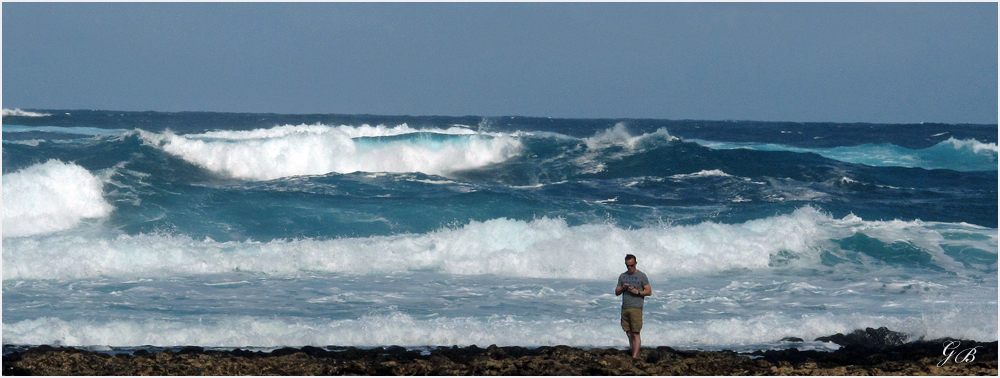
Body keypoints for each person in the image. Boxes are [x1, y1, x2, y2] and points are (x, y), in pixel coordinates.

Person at [615, 254, 651, 359]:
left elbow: (649, 292)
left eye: (632, 265)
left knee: (636, 333)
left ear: (635, 263)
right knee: (628, 332)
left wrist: (637, 292)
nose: (630, 268)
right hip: (625, 307)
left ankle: (635, 356)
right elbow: (617, 292)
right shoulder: (622, 276)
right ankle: (634, 352)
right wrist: (623, 289)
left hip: (636, 308)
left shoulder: (642, 276)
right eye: (628, 266)